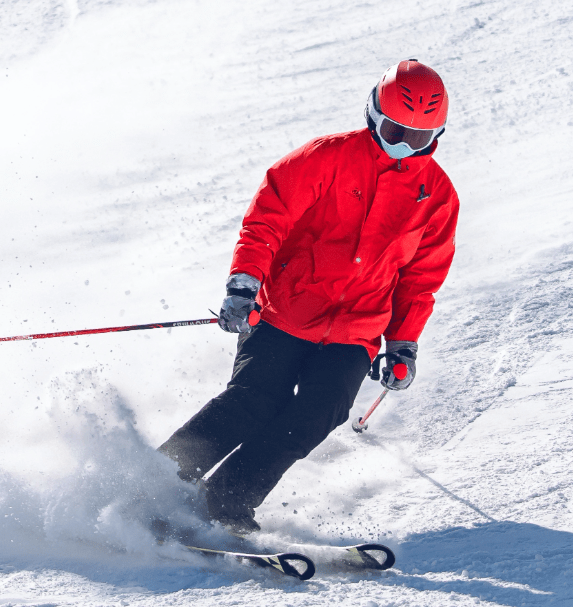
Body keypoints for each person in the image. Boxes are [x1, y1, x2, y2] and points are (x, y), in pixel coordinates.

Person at [158, 60, 459, 535]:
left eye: (418, 139)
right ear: (373, 113)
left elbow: (421, 278)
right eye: (393, 130)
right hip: (285, 312)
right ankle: (154, 487)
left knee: (319, 413)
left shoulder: (437, 195)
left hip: (357, 328)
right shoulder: (326, 158)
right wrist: (244, 283)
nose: (402, 145)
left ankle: (226, 502)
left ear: (438, 134)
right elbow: (267, 221)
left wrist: (403, 344)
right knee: (254, 400)